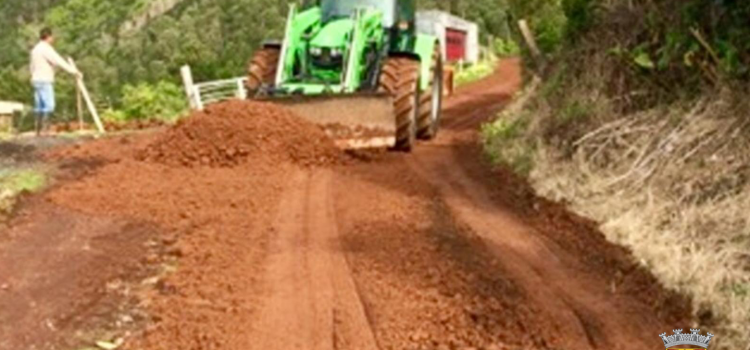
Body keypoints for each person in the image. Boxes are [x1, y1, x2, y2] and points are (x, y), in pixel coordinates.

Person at [30, 27, 82, 136]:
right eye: (52, 36)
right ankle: (45, 130)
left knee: (39, 106)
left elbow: (32, 66)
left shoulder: (35, 49)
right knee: (49, 105)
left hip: (36, 80)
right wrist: (74, 71)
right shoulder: (46, 49)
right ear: (48, 37)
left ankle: (38, 131)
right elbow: (58, 61)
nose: (53, 39)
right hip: (45, 80)